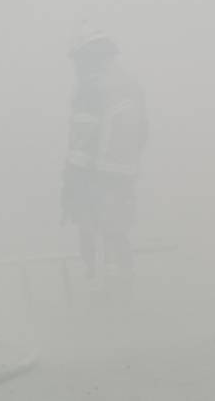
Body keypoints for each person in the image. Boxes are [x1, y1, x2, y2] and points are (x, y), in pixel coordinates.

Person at [62, 28, 150, 297]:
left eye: (78, 59)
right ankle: (122, 284)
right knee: (116, 231)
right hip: (123, 173)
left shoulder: (92, 87)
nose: (76, 66)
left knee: (89, 228)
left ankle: (94, 285)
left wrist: (71, 177)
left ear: (89, 58)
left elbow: (83, 135)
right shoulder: (128, 84)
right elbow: (143, 131)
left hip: (93, 173)